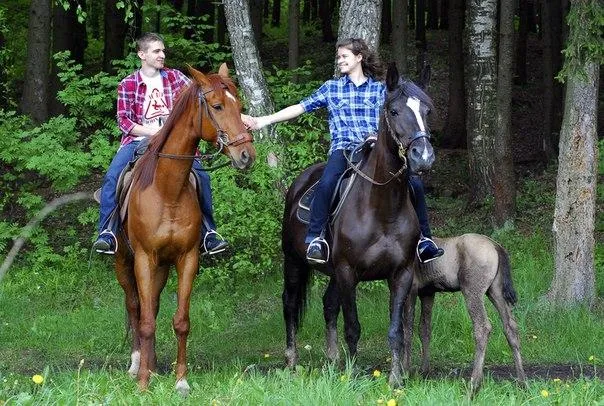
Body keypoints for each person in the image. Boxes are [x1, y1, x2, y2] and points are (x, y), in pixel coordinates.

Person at [245, 38, 443, 264]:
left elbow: (400, 113)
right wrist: (262, 121)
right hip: (344, 150)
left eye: (344, 56)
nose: (339, 60)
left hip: (375, 151)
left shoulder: (380, 91)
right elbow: (300, 107)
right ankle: (316, 237)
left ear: (359, 57)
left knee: (414, 182)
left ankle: (425, 240)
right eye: (338, 57)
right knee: (328, 181)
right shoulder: (332, 88)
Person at [92, 32, 228, 256]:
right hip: (138, 140)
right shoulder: (128, 84)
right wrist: (155, 132)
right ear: (142, 54)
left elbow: (205, 96)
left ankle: (208, 232)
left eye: (163, 50)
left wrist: (235, 117)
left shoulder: (175, 78)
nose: (162, 55)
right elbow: (125, 122)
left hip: (174, 143)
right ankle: (107, 231)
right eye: (156, 51)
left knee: (202, 175)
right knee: (113, 175)